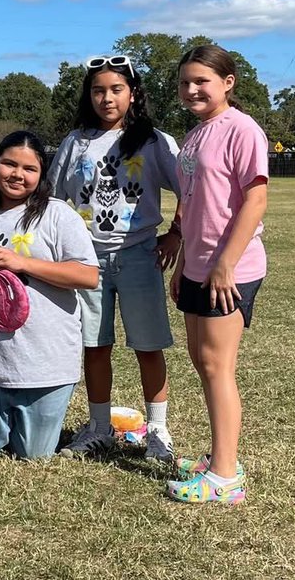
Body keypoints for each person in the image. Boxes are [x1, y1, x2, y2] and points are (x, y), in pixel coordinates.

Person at [50, 55, 182, 463]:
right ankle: (99, 427)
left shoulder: (153, 140)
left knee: (148, 345)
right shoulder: (76, 143)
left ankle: (157, 430)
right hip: (88, 261)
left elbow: (189, 190)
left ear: (133, 94)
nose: (106, 98)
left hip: (141, 255)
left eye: (116, 89)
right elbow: (54, 200)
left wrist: (175, 235)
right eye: (97, 90)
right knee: (95, 345)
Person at [0, 130, 99, 462]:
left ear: (41, 174)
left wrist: (22, 262)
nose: (17, 174)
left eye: (29, 168)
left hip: (47, 364)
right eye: (9, 164)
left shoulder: (58, 216)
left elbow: (88, 275)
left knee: (33, 455)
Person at [165, 45, 269, 505]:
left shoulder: (242, 129)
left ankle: (226, 478)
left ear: (228, 82)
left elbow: (256, 200)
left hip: (230, 269)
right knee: (202, 362)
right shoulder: (194, 135)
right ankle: (218, 456)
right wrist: (186, 259)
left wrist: (225, 264)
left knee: (217, 366)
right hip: (198, 266)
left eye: (201, 81)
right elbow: (190, 203)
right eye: (185, 82)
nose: (191, 90)